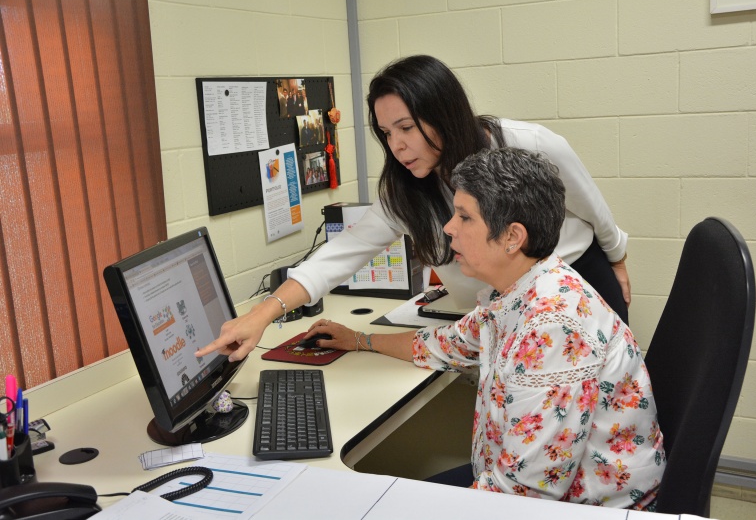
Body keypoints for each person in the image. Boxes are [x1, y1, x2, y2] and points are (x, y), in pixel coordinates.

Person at [196, 54, 630, 363]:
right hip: (496, 308)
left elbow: (594, 208)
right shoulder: (408, 189)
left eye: (406, 127)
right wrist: (263, 313)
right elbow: (342, 253)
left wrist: (618, 261)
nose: (396, 145)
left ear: (444, 114)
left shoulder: (527, 144)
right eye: (386, 133)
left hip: (573, 281)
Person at [301, 148, 665, 509]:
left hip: (583, 507)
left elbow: (526, 494)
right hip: (523, 488)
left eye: (464, 217)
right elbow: (443, 343)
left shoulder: (553, 327)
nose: (448, 228)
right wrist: (359, 340)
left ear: (512, 237)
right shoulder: (518, 290)